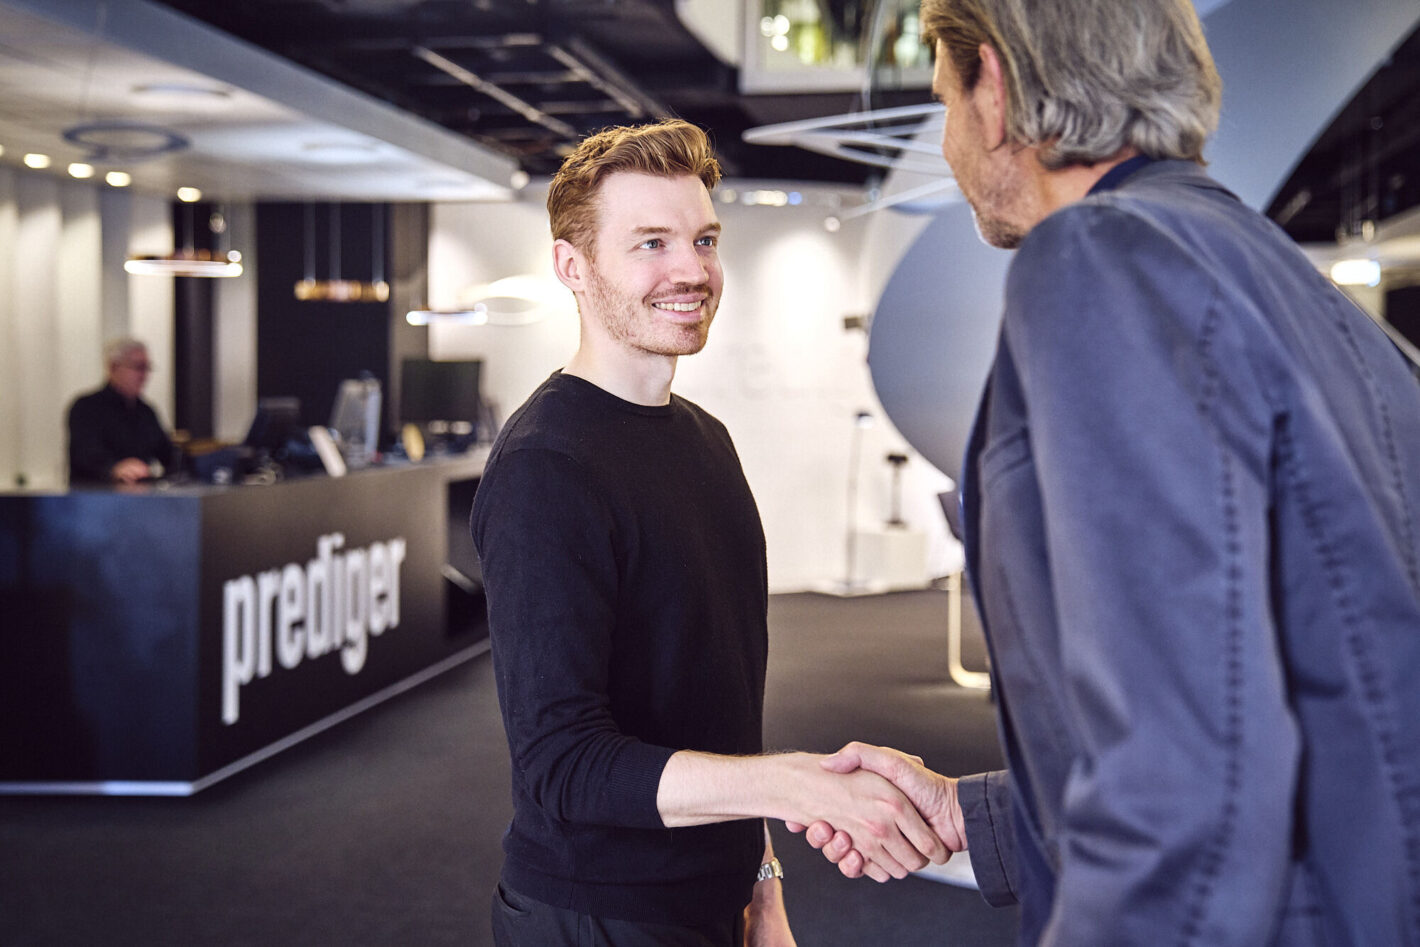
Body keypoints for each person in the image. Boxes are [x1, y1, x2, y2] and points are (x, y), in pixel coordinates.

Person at [796, 1, 1420, 944]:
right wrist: (981, 814)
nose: (954, 151)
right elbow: (1283, 683)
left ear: (996, 90)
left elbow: (1184, 777)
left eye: (945, 107)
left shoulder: (1099, 259)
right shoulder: (1302, 295)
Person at [469, 119, 947, 947]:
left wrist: (760, 884)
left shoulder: (703, 437)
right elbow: (563, 763)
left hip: (713, 901)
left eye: (703, 239)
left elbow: (719, 711)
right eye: (650, 243)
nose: (691, 270)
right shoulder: (546, 466)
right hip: (599, 916)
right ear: (571, 267)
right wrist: (795, 786)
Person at [67, 337, 176, 485]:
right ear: (113, 367)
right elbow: (85, 455)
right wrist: (114, 468)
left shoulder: (146, 411)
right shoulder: (86, 408)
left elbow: (167, 454)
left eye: (147, 368)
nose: (144, 376)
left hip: (139, 499)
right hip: (96, 499)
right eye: (138, 367)